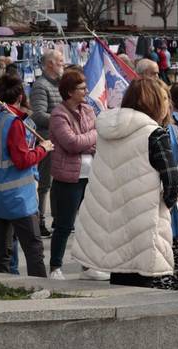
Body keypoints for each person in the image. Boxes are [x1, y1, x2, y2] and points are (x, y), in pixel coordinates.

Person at [72, 78, 178, 288]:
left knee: (119, 277)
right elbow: (172, 181)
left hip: (110, 215)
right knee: (145, 285)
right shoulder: (155, 134)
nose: (167, 104)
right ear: (153, 102)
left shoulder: (106, 129)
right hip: (144, 218)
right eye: (164, 98)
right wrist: (166, 204)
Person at [0, 75, 54, 277]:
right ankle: (40, 287)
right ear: (21, 96)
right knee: (33, 248)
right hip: (18, 196)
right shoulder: (14, 123)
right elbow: (22, 160)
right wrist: (43, 149)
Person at [48, 68, 107, 281]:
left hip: (90, 175)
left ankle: (88, 266)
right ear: (70, 92)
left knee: (89, 224)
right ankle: (55, 266)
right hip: (68, 179)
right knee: (64, 224)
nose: (86, 91)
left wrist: (88, 139)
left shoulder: (89, 110)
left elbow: (92, 140)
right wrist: (93, 135)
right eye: (82, 88)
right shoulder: (58, 114)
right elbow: (71, 143)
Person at [30, 49, 64, 238]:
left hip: (62, 139)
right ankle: (40, 221)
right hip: (47, 139)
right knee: (45, 184)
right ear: (49, 64)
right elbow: (38, 115)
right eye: (60, 61)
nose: (63, 63)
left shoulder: (61, 84)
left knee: (59, 182)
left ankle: (58, 219)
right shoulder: (40, 85)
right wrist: (64, 119)